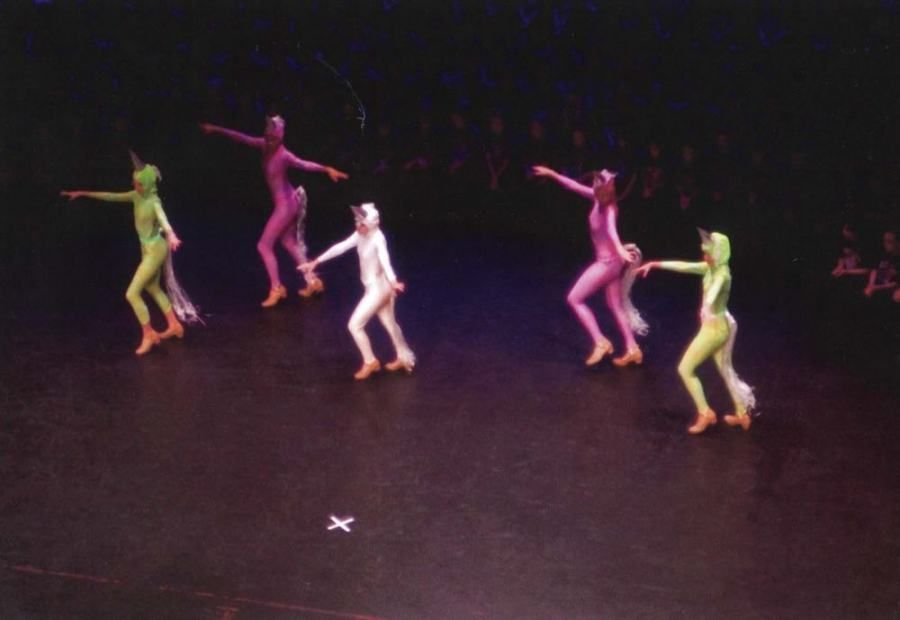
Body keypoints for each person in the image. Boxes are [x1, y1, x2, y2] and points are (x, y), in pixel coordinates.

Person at [61, 152, 201, 355]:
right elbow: (111, 196)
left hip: (156, 249)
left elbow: (163, 219)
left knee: (132, 293)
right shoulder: (136, 196)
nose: (134, 184)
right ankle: (174, 325)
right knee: (153, 288)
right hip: (148, 248)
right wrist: (83, 193)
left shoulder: (153, 201)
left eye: (138, 183)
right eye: (134, 181)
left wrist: (171, 235)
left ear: (146, 185)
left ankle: (149, 334)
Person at [200, 115, 349, 307]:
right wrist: (216, 128)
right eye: (267, 137)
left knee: (263, 246)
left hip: (286, 206)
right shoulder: (263, 144)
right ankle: (313, 281)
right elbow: (241, 137)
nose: (269, 141)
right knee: (288, 242)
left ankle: (276, 288)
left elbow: (304, 163)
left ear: (280, 138)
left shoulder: (284, 155)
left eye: (273, 138)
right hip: (288, 202)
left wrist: (327, 169)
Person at [636, 230, 756, 434]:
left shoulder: (722, 274)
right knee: (725, 370)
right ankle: (742, 414)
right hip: (718, 328)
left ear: (718, 254)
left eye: (708, 253)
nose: (704, 257)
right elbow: (683, 266)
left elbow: (715, 290)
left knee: (685, 369)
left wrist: (706, 306)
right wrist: (654, 264)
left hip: (714, 330)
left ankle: (705, 412)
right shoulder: (709, 268)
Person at [531, 166, 647, 367]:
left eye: (599, 180)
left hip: (607, 263)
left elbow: (612, 231)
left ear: (605, 187)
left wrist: (620, 250)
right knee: (615, 306)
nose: (593, 182)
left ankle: (600, 342)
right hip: (613, 262)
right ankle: (633, 349)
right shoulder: (596, 198)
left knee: (574, 298)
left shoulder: (610, 208)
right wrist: (551, 174)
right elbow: (572, 185)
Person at [300, 204, 415, 380]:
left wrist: (393, 281)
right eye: (357, 223)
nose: (357, 226)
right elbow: (341, 247)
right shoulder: (361, 234)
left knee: (355, 325)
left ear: (371, 224)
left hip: (378, 289)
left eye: (362, 224)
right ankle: (403, 357)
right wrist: (316, 262)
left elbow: (385, 261)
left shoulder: (377, 239)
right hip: (381, 287)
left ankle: (370, 362)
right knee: (390, 324)